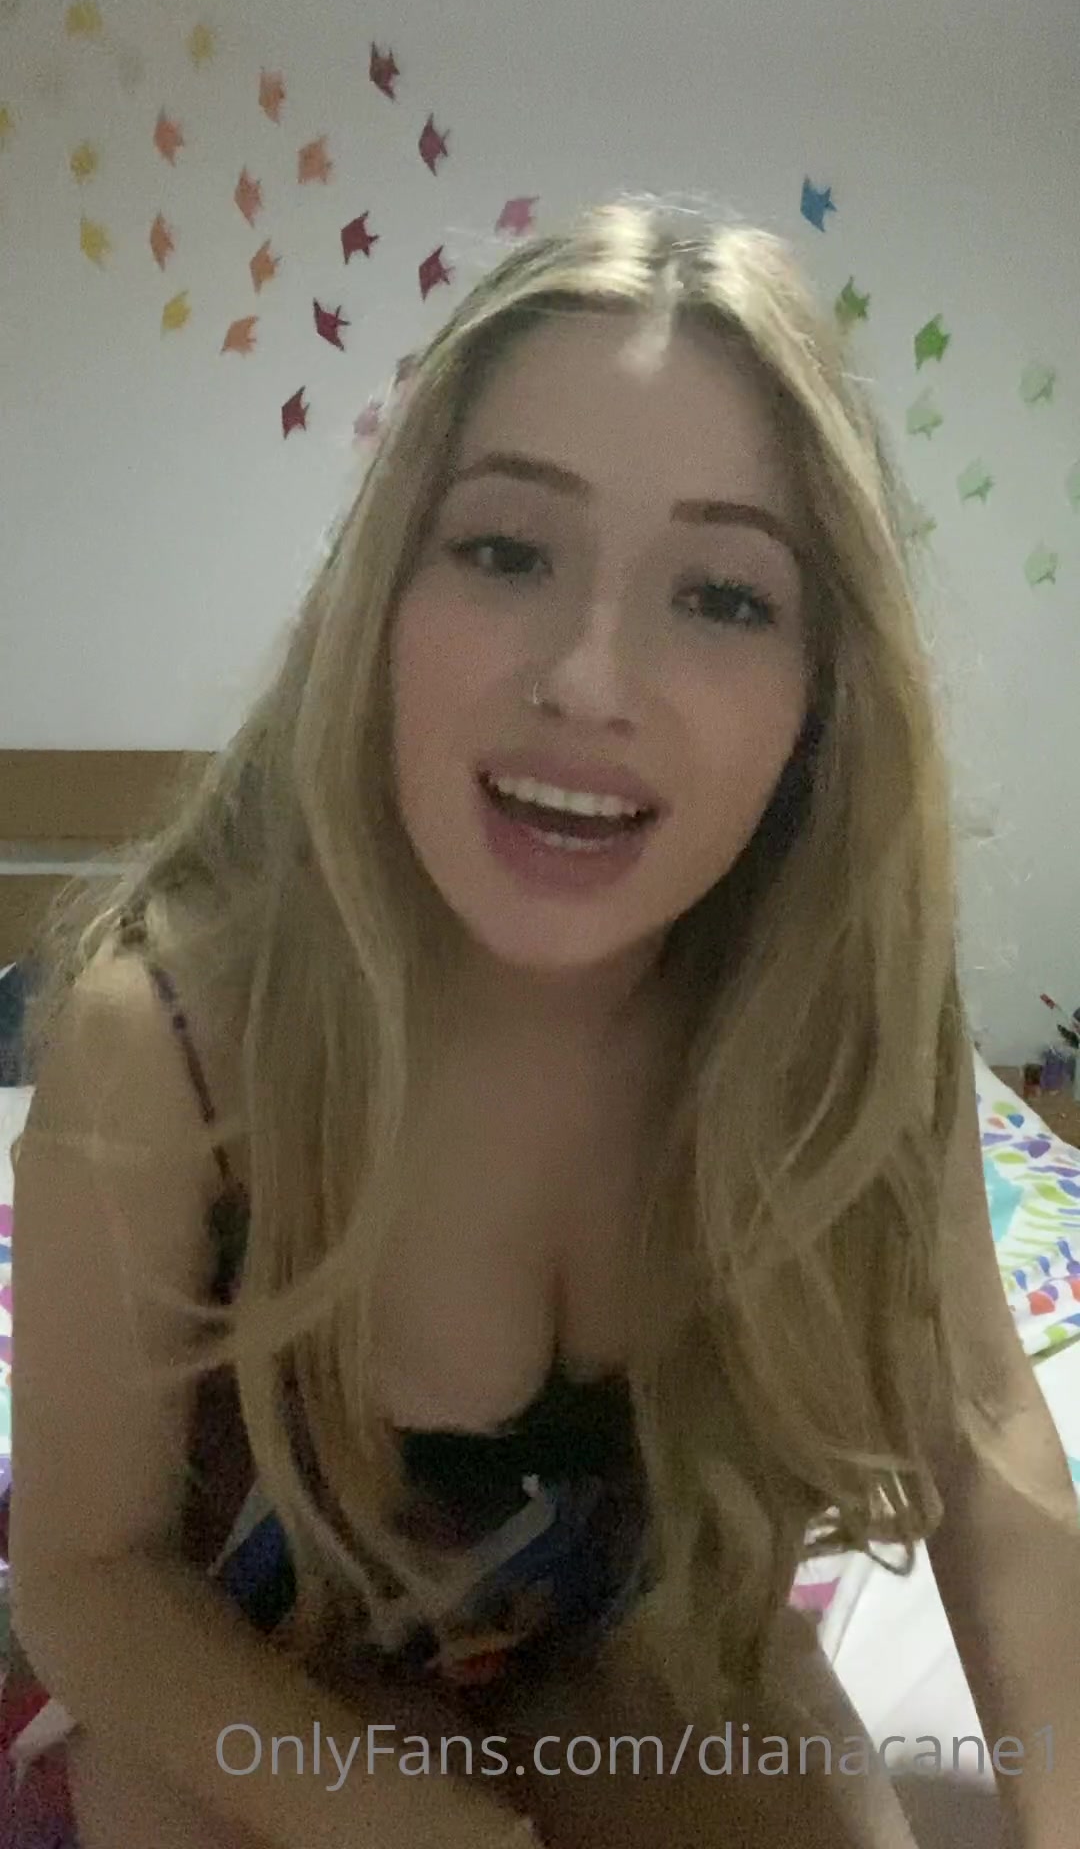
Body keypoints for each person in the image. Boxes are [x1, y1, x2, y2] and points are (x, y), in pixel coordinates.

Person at [3, 199, 1077, 1849]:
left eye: (722, 595)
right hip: (237, 1679)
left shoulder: (839, 1030)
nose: (588, 679)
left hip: (631, 1652)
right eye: (506, 552)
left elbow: (985, 1438)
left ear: (822, 695)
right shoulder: (169, 1045)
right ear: (381, 602)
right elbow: (89, 1577)